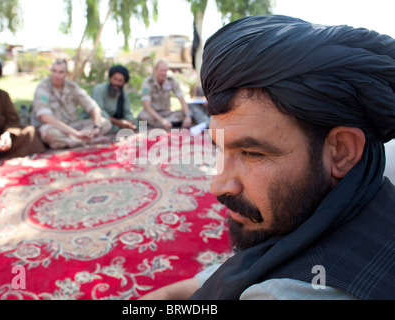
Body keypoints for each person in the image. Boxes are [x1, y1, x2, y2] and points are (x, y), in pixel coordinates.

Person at [141, 15, 395, 300]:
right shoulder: (368, 194)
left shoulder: (279, 294)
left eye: (251, 153)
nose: (218, 185)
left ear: (341, 151)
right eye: (220, 148)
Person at [31, 59, 112, 149]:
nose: (56, 76)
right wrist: (76, 133)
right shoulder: (43, 88)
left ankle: (76, 140)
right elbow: (45, 117)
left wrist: (96, 127)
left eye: (61, 72)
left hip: (72, 126)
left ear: (66, 74)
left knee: (105, 122)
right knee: (47, 132)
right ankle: (85, 140)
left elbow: (94, 107)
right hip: (55, 128)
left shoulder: (72, 87)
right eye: (54, 71)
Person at [138, 60, 192, 129]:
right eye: (161, 70)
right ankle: (170, 124)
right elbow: (147, 107)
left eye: (165, 70)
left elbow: (182, 99)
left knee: (188, 111)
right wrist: (162, 121)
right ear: (155, 70)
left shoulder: (171, 81)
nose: (163, 73)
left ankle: (160, 126)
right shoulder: (148, 83)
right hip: (153, 115)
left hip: (167, 113)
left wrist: (188, 116)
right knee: (142, 116)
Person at [91, 65, 137, 132]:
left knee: (137, 122)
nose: (116, 83)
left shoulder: (123, 94)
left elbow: (127, 112)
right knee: (106, 125)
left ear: (124, 82)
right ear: (110, 78)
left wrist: (130, 122)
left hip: (115, 122)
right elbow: (98, 111)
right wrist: (118, 122)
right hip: (96, 119)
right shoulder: (99, 90)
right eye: (114, 79)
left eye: (120, 81)